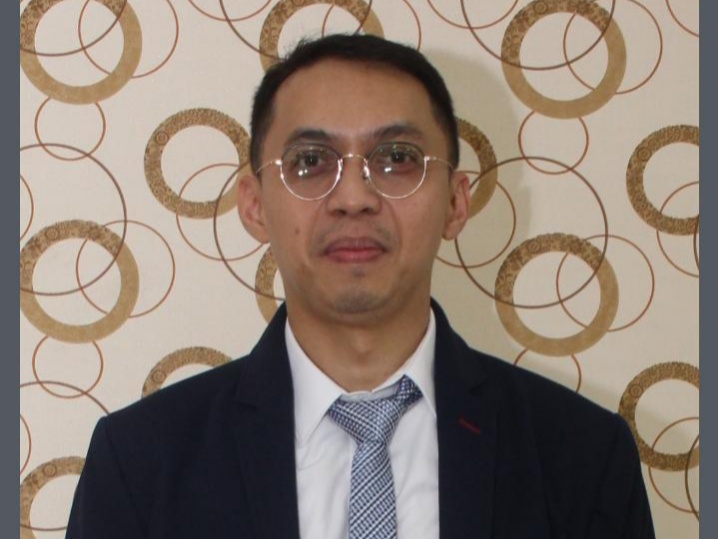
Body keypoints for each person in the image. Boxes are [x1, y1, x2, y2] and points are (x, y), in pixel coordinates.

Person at [66, 34, 655, 538]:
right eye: (310, 162)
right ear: (253, 204)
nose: (353, 198)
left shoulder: (582, 455)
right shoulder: (140, 461)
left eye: (397, 158)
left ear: (456, 202)